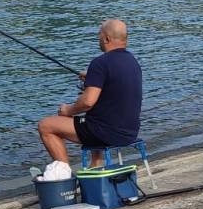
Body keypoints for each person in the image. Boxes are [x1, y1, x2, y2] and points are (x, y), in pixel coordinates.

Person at [37, 19, 143, 166]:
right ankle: (96, 164)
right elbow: (116, 87)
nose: (98, 38)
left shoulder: (100, 63)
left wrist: (68, 110)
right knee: (96, 116)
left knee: (46, 125)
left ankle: (64, 173)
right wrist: (93, 78)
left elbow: (87, 102)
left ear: (107, 39)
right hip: (129, 132)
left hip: (105, 133)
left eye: (100, 34)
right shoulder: (132, 62)